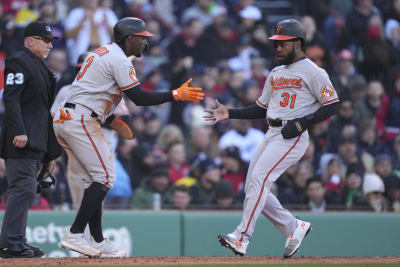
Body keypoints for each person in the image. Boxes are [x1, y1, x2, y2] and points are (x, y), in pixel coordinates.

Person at [53, 17, 203, 257]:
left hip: (67, 117)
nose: (145, 44)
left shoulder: (100, 53)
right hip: (81, 119)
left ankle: (98, 241)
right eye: (142, 39)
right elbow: (140, 98)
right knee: (105, 178)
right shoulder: (119, 59)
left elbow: (94, 90)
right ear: (130, 39)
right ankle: (75, 233)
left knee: (95, 181)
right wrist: (176, 94)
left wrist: (109, 118)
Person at [204, 19, 339, 258]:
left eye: (283, 44)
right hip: (272, 132)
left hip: (293, 135)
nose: (277, 48)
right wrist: (230, 113)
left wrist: (303, 123)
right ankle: (292, 227)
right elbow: (261, 108)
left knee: (259, 179)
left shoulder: (314, 71)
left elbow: (332, 104)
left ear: (298, 43)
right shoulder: (276, 72)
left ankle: (242, 237)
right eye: (276, 44)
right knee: (253, 187)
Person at [0, 20, 61, 258]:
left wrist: (48, 150)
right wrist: (18, 131)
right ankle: (10, 243)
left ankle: (17, 241)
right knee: (24, 186)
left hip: (37, 140)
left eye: (51, 41)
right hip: (21, 138)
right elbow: (11, 99)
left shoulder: (40, 66)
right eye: (45, 40)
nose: (49, 46)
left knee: (27, 188)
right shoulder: (18, 61)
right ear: (30, 41)